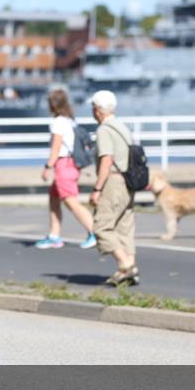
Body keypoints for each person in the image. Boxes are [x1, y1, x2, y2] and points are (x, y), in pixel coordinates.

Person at [89, 89, 139, 285]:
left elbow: (107, 159)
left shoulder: (104, 130)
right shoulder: (122, 127)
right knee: (124, 227)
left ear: (97, 109)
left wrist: (97, 189)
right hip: (129, 181)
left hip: (113, 182)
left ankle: (125, 264)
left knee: (101, 226)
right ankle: (130, 270)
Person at [37, 89, 96, 250]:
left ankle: (95, 232)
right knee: (54, 198)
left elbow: (56, 148)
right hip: (72, 164)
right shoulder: (70, 121)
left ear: (52, 104)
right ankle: (54, 235)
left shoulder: (58, 122)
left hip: (64, 164)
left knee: (71, 201)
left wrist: (47, 167)